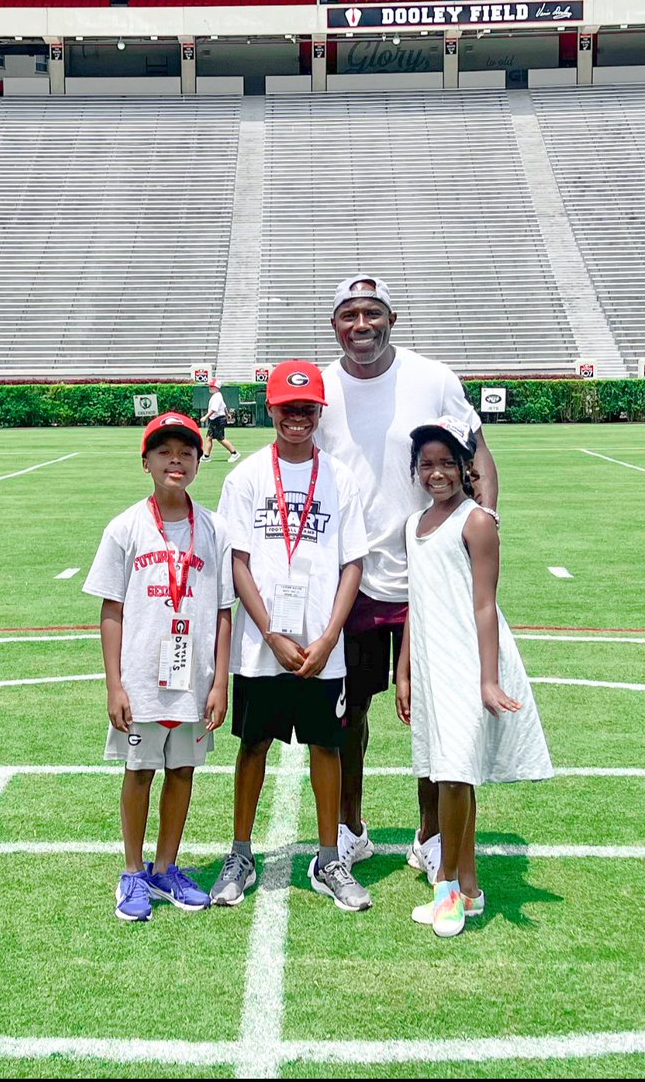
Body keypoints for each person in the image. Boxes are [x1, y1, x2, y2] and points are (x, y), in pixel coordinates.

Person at [313, 274, 499, 881]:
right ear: (335, 323)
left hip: (428, 572)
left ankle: (431, 836)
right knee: (350, 712)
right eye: (349, 315)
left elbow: (479, 451)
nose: (360, 325)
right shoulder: (320, 387)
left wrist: (485, 519)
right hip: (351, 576)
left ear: (392, 318)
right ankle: (350, 829)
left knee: (433, 710)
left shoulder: (434, 377)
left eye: (372, 313)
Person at [210, 360, 372, 912]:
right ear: (270, 411)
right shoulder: (246, 477)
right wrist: (271, 632)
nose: (297, 418)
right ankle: (240, 853)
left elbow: (353, 564)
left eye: (307, 408)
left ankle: (330, 858)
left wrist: (328, 639)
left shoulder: (341, 477)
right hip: (262, 646)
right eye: (287, 408)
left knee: (327, 746)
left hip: (322, 647)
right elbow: (238, 562)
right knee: (252, 744)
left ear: (319, 412)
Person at [396, 416, 552, 937]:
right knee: (450, 771)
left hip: (468, 659)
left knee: (455, 775)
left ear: (466, 467)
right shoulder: (413, 525)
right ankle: (470, 887)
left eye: (446, 463)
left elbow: (485, 606)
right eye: (426, 464)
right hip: (431, 662)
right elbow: (416, 604)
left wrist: (489, 680)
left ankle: (446, 892)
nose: (436, 473)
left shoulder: (477, 521)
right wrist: (404, 671)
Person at [83, 412, 234, 922]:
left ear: (198, 461)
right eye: (165, 451)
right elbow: (111, 611)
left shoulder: (213, 528)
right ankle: (132, 871)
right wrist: (114, 685)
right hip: (142, 678)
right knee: (140, 771)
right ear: (145, 461)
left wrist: (221, 683)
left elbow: (221, 609)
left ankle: (166, 868)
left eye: (187, 452)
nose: (177, 460)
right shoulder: (125, 527)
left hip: (195, 679)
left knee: (184, 771)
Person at [201, 379, 241, 463]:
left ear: (216, 387)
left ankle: (234, 453)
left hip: (218, 420)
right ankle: (206, 456)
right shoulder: (218, 395)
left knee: (220, 438)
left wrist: (205, 417)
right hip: (216, 419)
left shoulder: (216, 397)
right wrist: (227, 414)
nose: (210, 387)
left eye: (212, 386)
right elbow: (224, 406)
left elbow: (214, 410)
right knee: (209, 437)